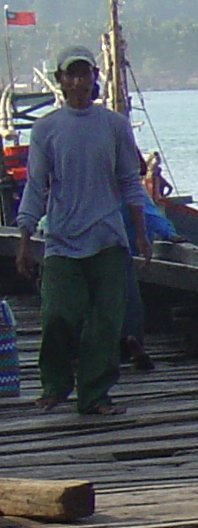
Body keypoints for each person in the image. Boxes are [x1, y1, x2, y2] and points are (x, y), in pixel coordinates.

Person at [14, 44, 150, 416]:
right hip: (61, 238)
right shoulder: (46, 130)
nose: (78, 82)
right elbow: (36, 187)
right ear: (60, 80)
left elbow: (130, 180)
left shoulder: (114, 126)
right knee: (58, 314)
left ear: (94, 78)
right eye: (70, 75)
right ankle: (55, 385)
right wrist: (25, 241)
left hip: (107, 238)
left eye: (84, 74)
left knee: (105, 323)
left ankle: (95, 394)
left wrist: (140, 232)